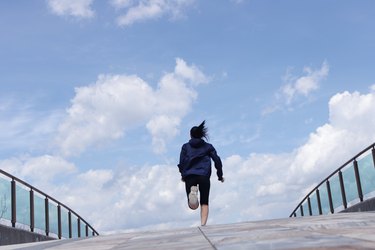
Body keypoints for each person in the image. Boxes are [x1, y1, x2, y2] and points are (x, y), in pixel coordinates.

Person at [178, 120, 224, 226]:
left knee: (192, 205)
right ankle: (203, 225)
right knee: (204, 201)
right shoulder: (208, 147)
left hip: (190, 176)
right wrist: (220, 175)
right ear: (202, 135)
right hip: (204, 176)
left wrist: (182, 174)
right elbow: (217, 160)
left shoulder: (185, 147)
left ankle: (192, 195)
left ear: (190, 135)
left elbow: (181, 162)